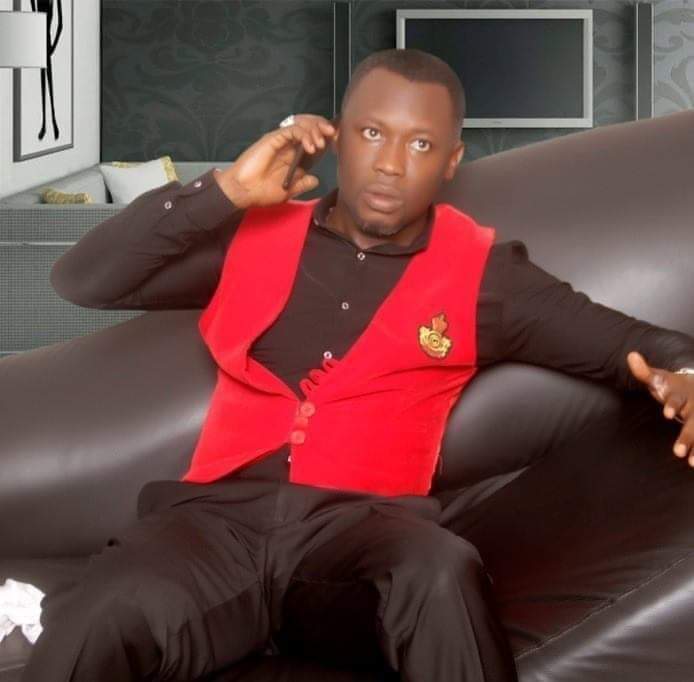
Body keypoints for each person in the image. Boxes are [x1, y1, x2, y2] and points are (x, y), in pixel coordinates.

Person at [22, 48, 694, 682]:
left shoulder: (488, 276)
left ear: (452, 161)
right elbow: (84, 279)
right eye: (373, 134)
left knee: (438, 570)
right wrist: (225, 190)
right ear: (338, 137)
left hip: (355, 547)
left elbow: (632, 345)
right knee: (103, 610)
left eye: (421, 145)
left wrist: (686, 376)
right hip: (210, 530)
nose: (391, 165)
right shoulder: (250, 234)